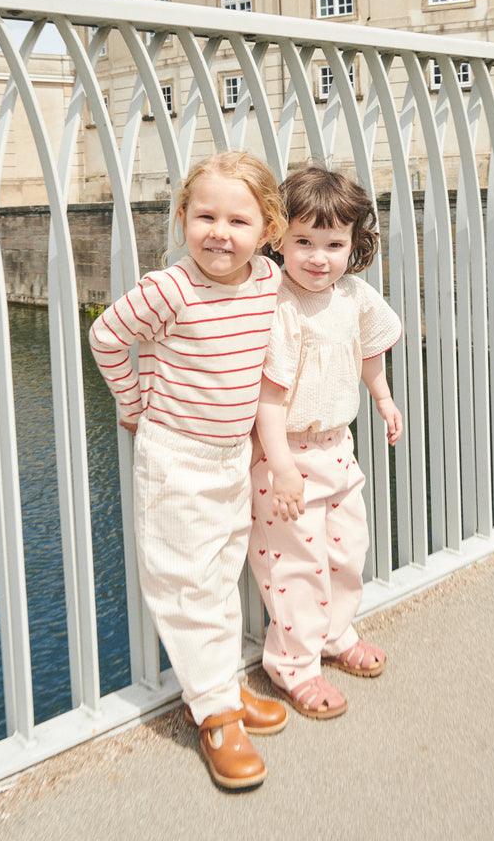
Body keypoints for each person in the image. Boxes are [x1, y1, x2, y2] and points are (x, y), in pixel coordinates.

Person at [89, 151, 289, 790]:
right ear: (182, 219)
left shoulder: (265, 280)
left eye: (239, 220)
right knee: (187, 583)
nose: (219, 233)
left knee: (223, 570)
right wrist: (134, 402)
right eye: (205, 216)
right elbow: (107, 338)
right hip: (175, 455)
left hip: (230, 454)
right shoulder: (170, 288)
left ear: (268, 232)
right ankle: (215, 714)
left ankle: (219, 686)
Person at [248, 166, 402, 720]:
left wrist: (382, 397)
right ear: (278, 241)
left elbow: (368, 351)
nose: (319, 257)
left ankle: (336, 636)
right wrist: (282, 467)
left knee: (344, 551)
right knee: (295, 564)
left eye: (334, 244)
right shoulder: (280, 305)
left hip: (338, 446)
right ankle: (294, 666)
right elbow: (267, 398)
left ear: (354, 246)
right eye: (304, 242)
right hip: (286, 455)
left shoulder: (352, 296)